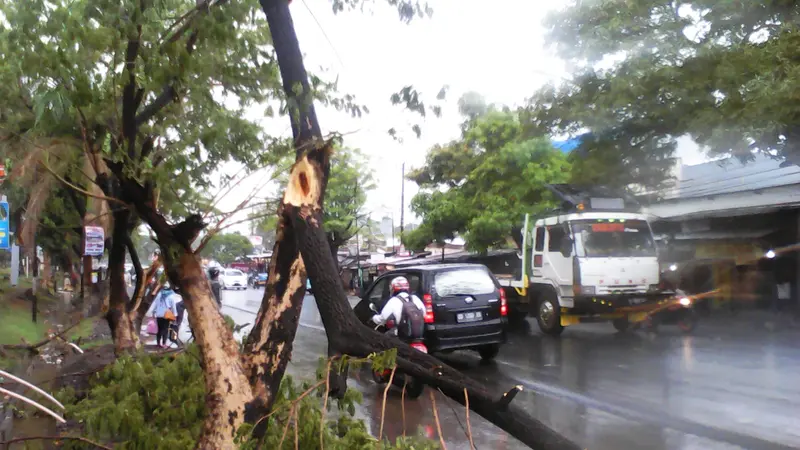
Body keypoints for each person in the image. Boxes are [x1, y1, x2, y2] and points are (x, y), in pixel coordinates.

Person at [153, 283, 178, 348]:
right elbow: (173, 306)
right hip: (166, 315)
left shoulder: (159, 294)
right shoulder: (171, 296)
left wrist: (154, 312)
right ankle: (164, 343)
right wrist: (175, 315)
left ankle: (158, 343)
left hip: (159, 315)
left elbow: (156, 304)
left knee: (159, 329)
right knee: (165, 330)